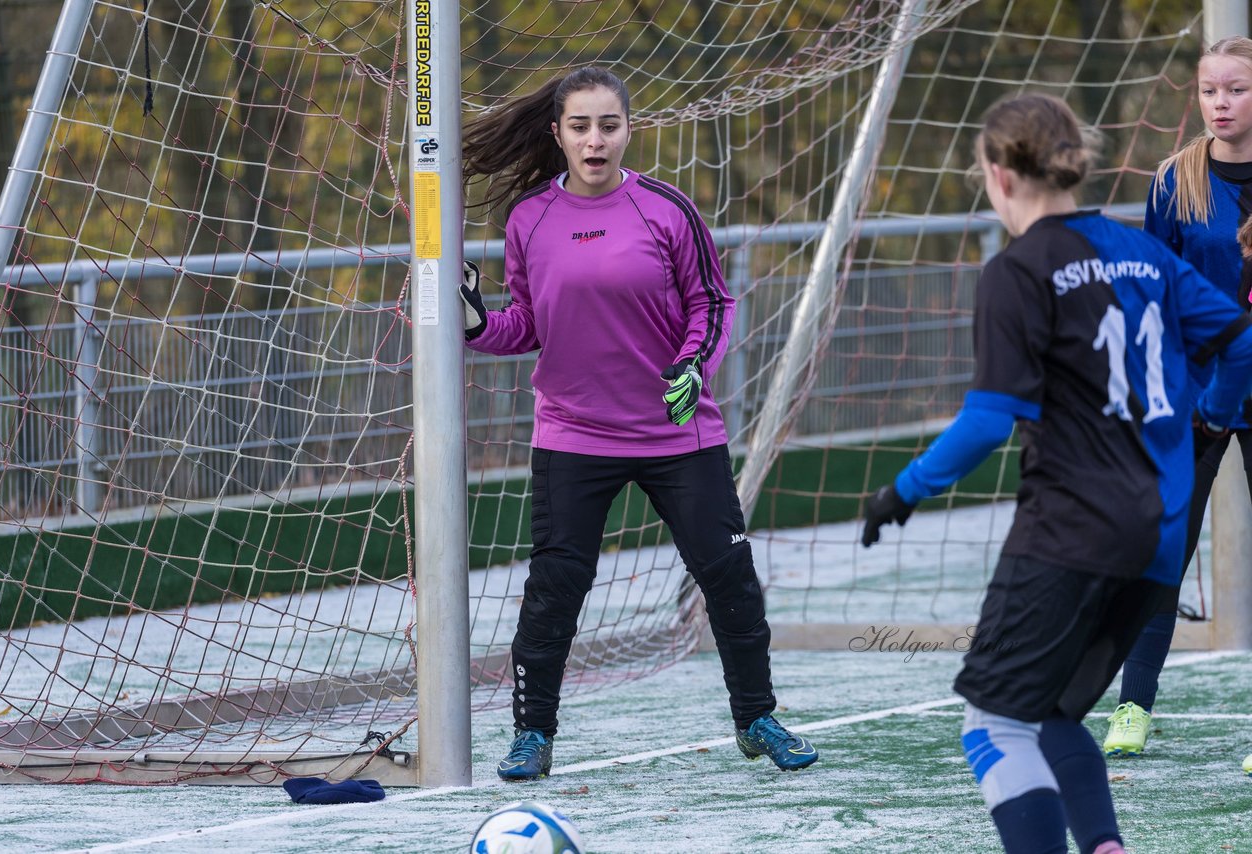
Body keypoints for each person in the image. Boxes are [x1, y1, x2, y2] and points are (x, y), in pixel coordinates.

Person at [861, 93, 1252, 853]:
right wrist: (1210, 413)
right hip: (1160, 537)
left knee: (992, 727)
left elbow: (985, 422)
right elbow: (1240, 343)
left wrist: (901, 492)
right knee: (1053, 715)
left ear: (999, 175)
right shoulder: (1144, 252)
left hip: (1070, 530)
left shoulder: (1018, 271)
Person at [458, 65, 818, 781]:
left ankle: (756, 719)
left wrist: (691, 366)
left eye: (609, 125)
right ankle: (533, 735)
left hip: (676, 435)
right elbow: (526, 323)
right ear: (558, 133)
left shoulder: (667, 209)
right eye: (582, 126)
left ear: (630, 129)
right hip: (571, 433)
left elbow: (711, 306)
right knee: (555, 588)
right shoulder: (527, 219)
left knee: (730, 578)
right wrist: (474, 322)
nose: (596, 140)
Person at [1102, 35, 1252, 760]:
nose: (1221, 103)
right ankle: (1134, 706)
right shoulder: (1176, 182)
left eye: (1237, 89)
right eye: (1209, 91)